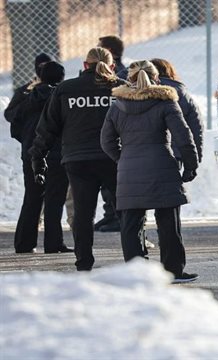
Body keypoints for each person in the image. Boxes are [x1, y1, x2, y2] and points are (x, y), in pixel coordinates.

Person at [101, 60, 199, 283]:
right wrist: (191, 164)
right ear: (156, 78)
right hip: (162, 167)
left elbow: (106, 141)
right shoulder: (166, 102)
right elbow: (184, 137)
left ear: (130, 79)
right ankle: (173, 271)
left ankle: (136, 273)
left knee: (131, 223)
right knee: (168, 223)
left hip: (129, 170)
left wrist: (123, 158)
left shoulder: (117, 106)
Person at [29, 47, 126, 271]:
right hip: (115, 158)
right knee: (127, 210)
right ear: (112, 66)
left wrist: (38, 156)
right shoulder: (121, 89)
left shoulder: (66, 89)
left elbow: (47, 127)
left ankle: (84, 262)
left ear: (85, 65)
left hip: (77, 159)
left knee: (83, 213)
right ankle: (136, 257)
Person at [9, 61, 72, 254]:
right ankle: (53, 243)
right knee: (55, 198)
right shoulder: (61, 97)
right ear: (61, 78)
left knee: (32, 197)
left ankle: (23, 243)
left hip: (31, 153)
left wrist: (28, 143)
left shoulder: (26, 97)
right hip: (56, 153)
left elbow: (14, 123)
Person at [94, 35, 129, 232]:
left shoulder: (120, 75)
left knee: (113, 180)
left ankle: (116, 216)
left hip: (114, 134)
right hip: (104, 132)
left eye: (100, 48)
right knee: (106, 184)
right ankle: (110, 214)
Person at [150, 58, 204, 164]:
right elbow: (196, 125)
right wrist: (196, 156)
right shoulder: (182, 94)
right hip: (173, 155)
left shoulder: (136, 93)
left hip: (140, 155)